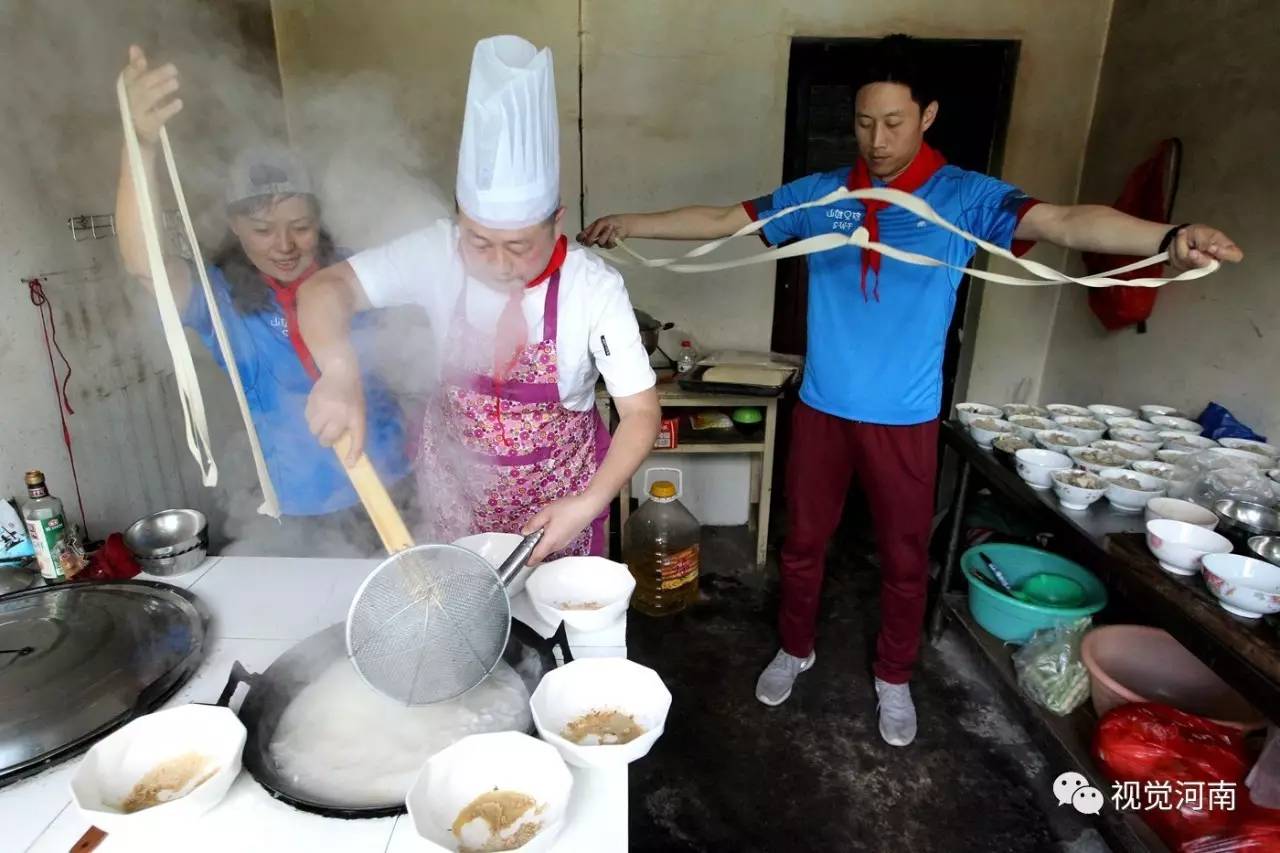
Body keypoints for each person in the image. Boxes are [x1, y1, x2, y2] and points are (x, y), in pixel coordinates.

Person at [578, 34, 1242, 746]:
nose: (878, 138)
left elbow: (1066, 220)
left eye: (894, 122)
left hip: (906, 418)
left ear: (928, 114)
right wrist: (630, 223)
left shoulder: (963, 197)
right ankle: (794, 646)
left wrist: (1168, 235)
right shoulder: (822, 195)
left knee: (901, 557)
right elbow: (721, 220)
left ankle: (893, 676)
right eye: (865, 122)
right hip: (823, 408)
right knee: (802, 543)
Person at [299, 35, 660, 565]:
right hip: (455, 499)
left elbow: (640, 412)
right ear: (459, 219)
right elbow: (326, 289)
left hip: (560, 504)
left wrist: (587, 504)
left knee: (553, 636)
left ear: (555, 221)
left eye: (518, 246)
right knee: (464, 626)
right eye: (479, 242)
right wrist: (337, 370)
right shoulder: (436, 253)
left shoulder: (593, 288)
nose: (498, 262)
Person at [116, 46, 411, 556]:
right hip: (298, 509)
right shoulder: (221, 297)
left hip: (395, 482)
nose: (284, 245)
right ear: (235, 226)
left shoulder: (356, 275)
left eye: (300, 227)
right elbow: (146, 267)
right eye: (262, 229)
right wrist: (138, 144)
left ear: (319, 221)